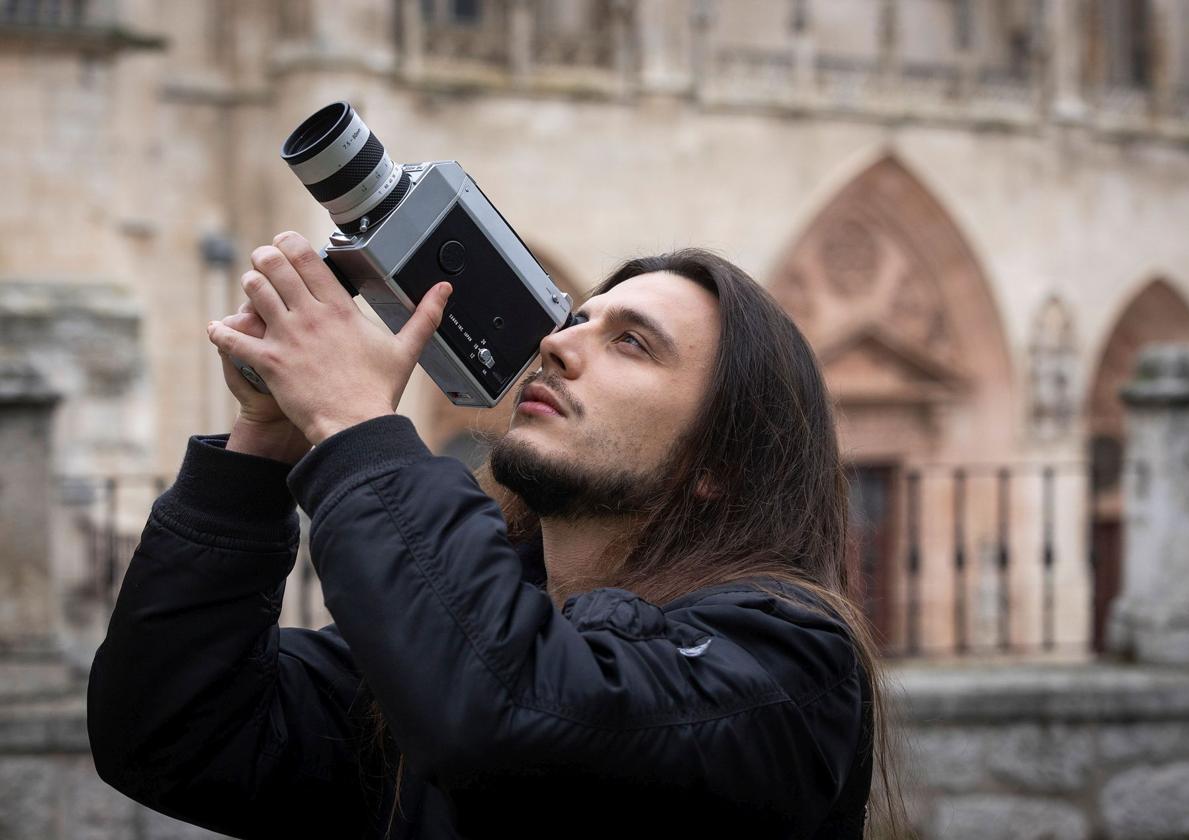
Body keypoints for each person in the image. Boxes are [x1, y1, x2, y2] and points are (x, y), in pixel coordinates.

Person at [87, 233, 907, 839]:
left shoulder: (788, 664)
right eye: (575, 320)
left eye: (631, 342)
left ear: (719, 462)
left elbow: (510, 712)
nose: (555, 344)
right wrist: (265, 445)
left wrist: (358, 426)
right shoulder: (452, 645)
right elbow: (174, 730)